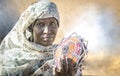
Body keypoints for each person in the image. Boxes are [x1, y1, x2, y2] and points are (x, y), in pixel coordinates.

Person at [0, 0, 87, 76]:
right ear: (31, 27)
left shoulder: (61, 57)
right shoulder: (13, 57)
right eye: (40, 24)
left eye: (52, 24)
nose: (47, 31)